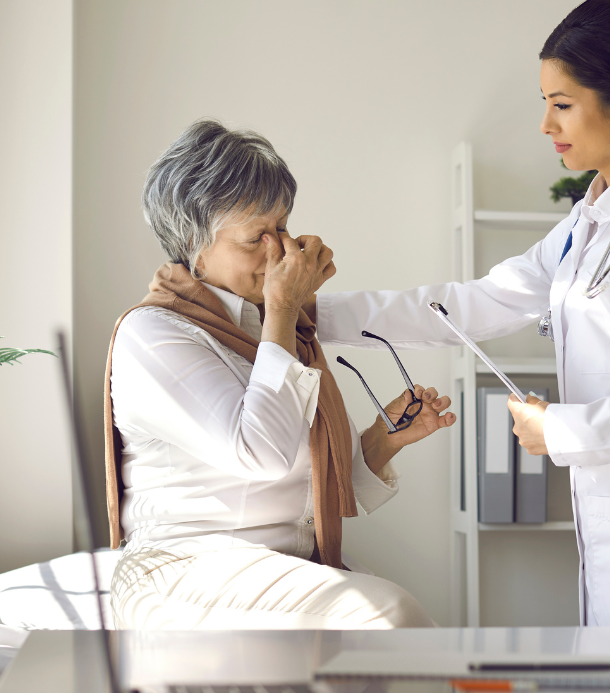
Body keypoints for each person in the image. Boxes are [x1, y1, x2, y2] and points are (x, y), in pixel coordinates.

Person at [315, 0, 610, 664]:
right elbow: (467, 306)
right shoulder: (590, 220)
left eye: (561, 103)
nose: (545, 124)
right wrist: (315, 314)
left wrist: (562, 430)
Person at [106, 120, 455, 630]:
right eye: (256, 237)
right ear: (194, 247)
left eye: (283, 227)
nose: (281, 251)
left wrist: (384, 439)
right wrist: (284, 309)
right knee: (389, 615)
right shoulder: (154, 335)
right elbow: (262, 454)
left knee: (401, 622)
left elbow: (311, 497)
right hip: (183, 570)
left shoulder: (263, 329)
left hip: (274, 563)